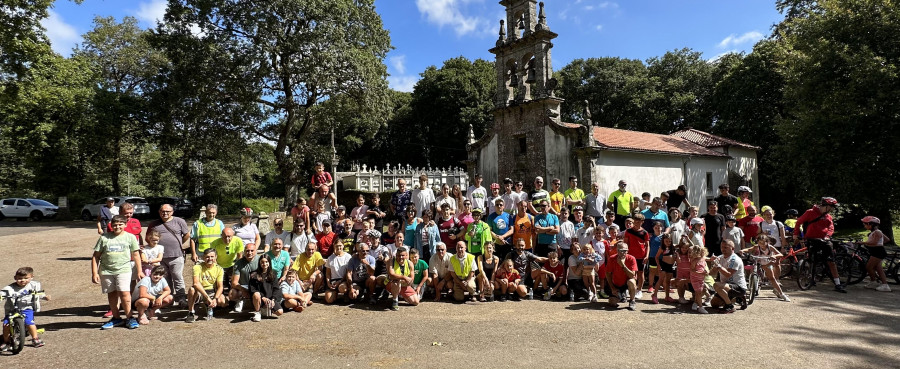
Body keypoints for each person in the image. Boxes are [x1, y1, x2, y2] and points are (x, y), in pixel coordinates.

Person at [93, 215, 143, 330]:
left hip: (124, 270)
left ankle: (130, 317)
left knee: (125, 294)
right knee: (112, 294)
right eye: (115, 224)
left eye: (120, 224)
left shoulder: (130, 237)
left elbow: (136, 254)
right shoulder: (104, 238)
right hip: (106, 271)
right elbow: (95, 256)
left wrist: (139, 271)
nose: (117, 226)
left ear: (125, 225)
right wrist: (94, 273)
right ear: (111, 225)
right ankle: (116, 318)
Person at [793, 197, 846, 293]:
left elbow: (831, 227)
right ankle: (811, 279)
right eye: (831, 207)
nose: (832, 209)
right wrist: (796, 234)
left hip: (824, 240)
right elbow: (799, 222)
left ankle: (837, 284)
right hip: (811, 239)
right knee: (811, 259)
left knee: (831, 261)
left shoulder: (828, 216)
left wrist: (827, 236)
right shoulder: (810, 212)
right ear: (825, 206)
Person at [146, 205, 190, 304]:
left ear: (172, 212)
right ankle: (169, 298)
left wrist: (178, 243)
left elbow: (187, 235)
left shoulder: (179, 221)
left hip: (176, 255)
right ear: (159, 211)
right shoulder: (153, 224)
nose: (165, 213)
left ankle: (181, 298)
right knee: (165, 278)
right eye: (163, 211)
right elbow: (148, 237)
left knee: (177, 277)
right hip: (159, 257)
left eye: (168, 211)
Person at [1, 267, 50, 349]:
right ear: (15, 278)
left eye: (26, 278)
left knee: (29, 322)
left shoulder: (34, 285)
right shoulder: (9, 288)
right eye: (19, 278)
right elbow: (2, 293)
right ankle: (7, 342)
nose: (23, 280)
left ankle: (35, 338)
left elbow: (38, 293)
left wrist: (45, 297)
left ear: (31, 277)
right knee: (6, 324)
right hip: (12, 310)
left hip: (27, 308)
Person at [741, 235, 790, 302]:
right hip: (759, 262)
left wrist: (774, 256)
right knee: (751, 268)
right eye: (760, 243)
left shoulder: (770, 248)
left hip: (767, 263)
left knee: (772, 278)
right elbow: (749, 249)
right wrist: (743, 250)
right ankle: (752, 284)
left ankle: (781, 294)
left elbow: (780, 254)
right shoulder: (757, 247)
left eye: (763, 243)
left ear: (767, 242)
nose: (762, 245)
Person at [185, 248, 225, 323]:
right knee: (192, 290)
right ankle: (191, 312)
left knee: (222, 301)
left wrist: (215, 299)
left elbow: (220, 286)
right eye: (207, 257)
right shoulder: (197, 267)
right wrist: (208, 298)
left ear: (216, 257)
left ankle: (210, 306)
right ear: (203, 257)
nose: (210, 259)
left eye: (212, 257)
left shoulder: (219, 269)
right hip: (200, 290)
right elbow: (196, 283)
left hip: (212, 291)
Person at [711, 240, 749, 313]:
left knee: (716, 285)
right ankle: (736, 299)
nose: (723, 249)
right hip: (726, 286)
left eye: (726, 247)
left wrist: (718, 266)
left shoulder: (734, 260)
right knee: (714, 304)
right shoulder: (720, 257)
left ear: (732, 248)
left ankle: (729, 306)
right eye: (722, 247)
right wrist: (712, 264)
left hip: (738, 287)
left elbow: (728, 274)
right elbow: (712, 273)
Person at [859, 216, 891, 292]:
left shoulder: (877, 232)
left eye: (865, 224)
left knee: (869, 267)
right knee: (879, 269)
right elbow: (887, 239)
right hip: (876, 251)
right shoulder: (876, 232)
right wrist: (880, 242)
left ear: (871, 224)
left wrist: (863, 242)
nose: (864, 226)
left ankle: (876, 282)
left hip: (878, 252)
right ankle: (881, 283)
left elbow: (874, 242)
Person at [623, 215, 649, 299]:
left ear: (642, 222)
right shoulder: (628, 231)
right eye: (636, 221)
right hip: (630, 256)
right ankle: (628, 288)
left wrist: (647, 256)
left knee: (640, 273)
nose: (637, 223)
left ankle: (639, 290)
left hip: (641, 256)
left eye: (639, 222)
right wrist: (625, 255)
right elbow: (625, 244)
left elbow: (647, 245)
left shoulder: (644, 232)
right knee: (629, 273)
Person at [606, 241, 638, 311]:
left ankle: (632, 300)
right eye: (621, 251)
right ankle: (621, 295)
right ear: (617, 250)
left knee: (632, 282)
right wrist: (612, 288)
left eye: (625, 251)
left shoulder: (631, 258)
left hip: (627, 282)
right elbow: (608, 274)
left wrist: (623, 265)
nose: (623, 253)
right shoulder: (612, 258)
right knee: (612, 303)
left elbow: (632, 275)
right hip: (616, 283)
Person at [228, 244, 259, 313]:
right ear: (244, 252)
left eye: (252, 251)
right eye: (247, 251)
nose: (249, 253)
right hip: (243, 285)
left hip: (256, 285)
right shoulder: (238, 263)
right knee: (232, 294)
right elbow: (234, 282)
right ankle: (240, 300)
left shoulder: (260, 260)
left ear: (256, 251)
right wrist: (244, 290)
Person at [249, 254, 280, 321]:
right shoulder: (254, 274)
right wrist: (263, 297)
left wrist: (273, 300)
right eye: (262, 262)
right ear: (259, 263)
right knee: (256, 294)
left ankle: (264, 309)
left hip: (270, 299)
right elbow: (252, 289)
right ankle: (257, 312)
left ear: (269, 262)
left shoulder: (273, 273)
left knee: (280, 312)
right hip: (259, 298)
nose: (264, 264)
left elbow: (276, 288)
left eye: (266, 262)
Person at [653, 233, 676, 303]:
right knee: (660, 280)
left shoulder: (673, 247)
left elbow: (681, 245)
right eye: (666, 241)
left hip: (670, 266)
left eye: (669, 241)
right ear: (663, 241)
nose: (668, 243)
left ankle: (667, 296)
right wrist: (658, 265)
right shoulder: (662, 248)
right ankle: (654, 295)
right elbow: (656, 257)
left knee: (668, 281)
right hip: (663, 265)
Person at [688, 244, 710, 314]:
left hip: (701, 278)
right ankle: (700, 307)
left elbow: (705, 267)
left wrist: (706, 272)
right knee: (698, 292)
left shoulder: (703, 259)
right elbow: (692, 270)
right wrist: (701, 273)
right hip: (695, 279)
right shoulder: (694, 261)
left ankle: (695, 303)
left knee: (700, 291)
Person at [646, 221, 665, 303]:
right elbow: (648, 246)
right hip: (652, 256)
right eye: (656, 227)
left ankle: (664, 286)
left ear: (662, 228)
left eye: (659, 227)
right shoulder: (650, 237)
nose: (658, 229)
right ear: (653, 228)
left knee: (662, 272)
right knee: (652, 271)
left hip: (662, 257)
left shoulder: (664, 236)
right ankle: (650, 286)